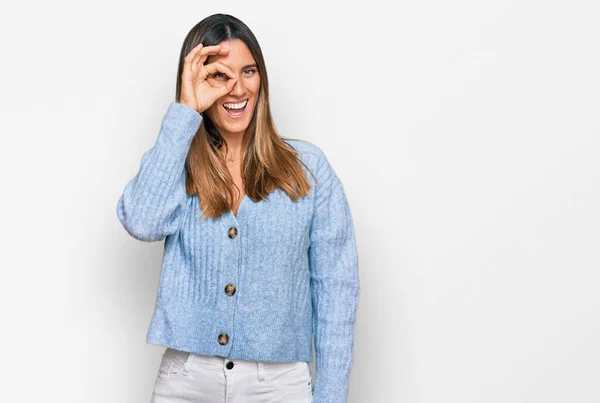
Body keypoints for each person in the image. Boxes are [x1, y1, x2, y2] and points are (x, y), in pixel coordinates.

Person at [116, 13, 360, 403]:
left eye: (248, 71)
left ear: (262, 79)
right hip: (187, 381)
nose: (237, 88)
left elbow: (336, 291)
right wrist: (184, 113)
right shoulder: (176, 164)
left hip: (279, 386)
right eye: (219, 75)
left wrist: (330, 397)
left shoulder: (309, 169)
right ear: (196, 82)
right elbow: (141, 221)